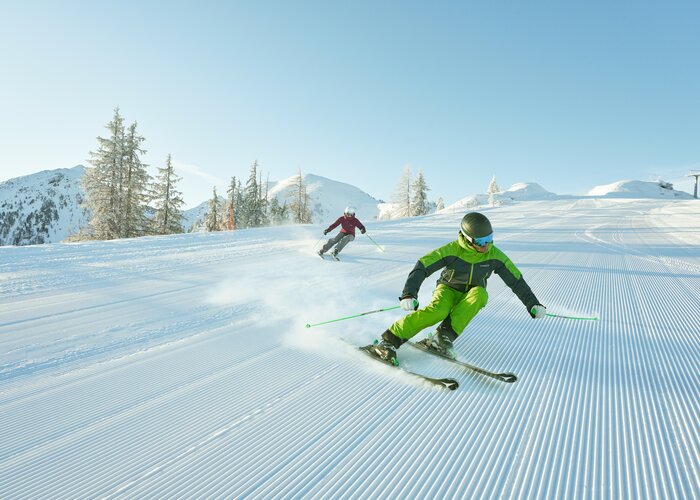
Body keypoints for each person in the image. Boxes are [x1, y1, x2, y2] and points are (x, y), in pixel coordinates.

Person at [366, 212, 546, 363]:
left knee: (480, 294)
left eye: (490, 239)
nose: (487, 245)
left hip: (471, 294)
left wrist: (533, 304)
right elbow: (422, 266)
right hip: (448, 289)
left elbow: (516, 281)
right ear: (468, 239)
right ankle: (388, 341)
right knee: (438, 312)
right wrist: (408, 294)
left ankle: (442, 337)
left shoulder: (494, 255)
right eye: (482, 241)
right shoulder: (452, 250)